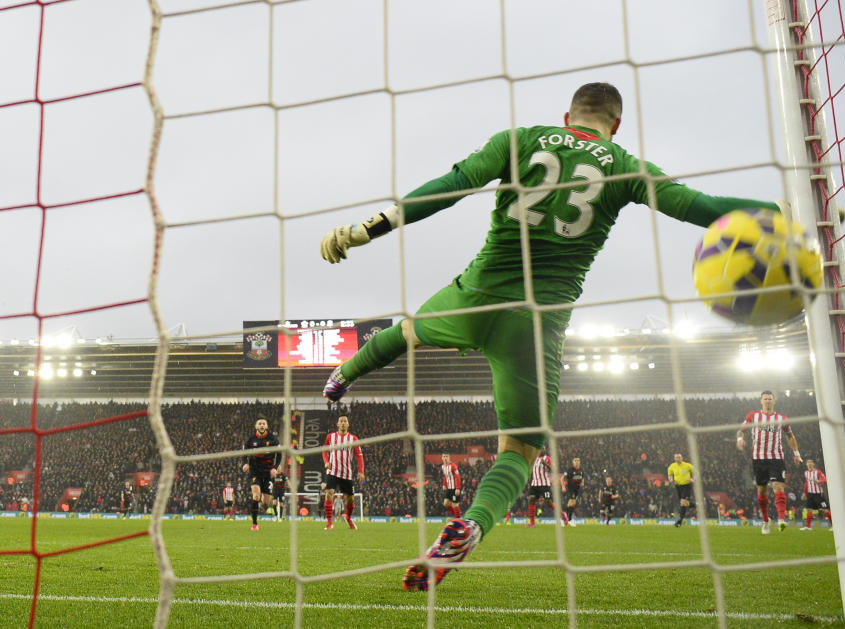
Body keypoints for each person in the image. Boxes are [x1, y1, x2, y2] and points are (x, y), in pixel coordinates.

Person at [317, 82, 782, 590]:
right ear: (617, 124)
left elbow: (452, 185)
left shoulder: (519, 140)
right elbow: (702, 206)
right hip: (537, 323)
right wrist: (779, 212)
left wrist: (371, 228)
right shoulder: (627, 166)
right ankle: (471, 524)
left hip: (476, 295)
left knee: (408, 330)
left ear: (567, 117)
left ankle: (342, 376)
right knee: (520, 450)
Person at [736, 390, 802, 534]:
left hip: (776, 458)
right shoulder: (753, 416)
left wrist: (796, 454)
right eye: (765, 399)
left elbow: (790, 435)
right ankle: (765, 521)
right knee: (762, 490)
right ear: (761, 401)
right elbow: (741, 430)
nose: (767, 401)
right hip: (758, 459)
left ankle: (781, 520)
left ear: (774, 401)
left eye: (769, 399)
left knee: (778, 486)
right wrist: (740, 439)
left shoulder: (781, 418)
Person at [322, 415, 365, 530]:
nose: (343, 423)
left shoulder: (353, 439)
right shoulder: (330, 437)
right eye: (341, 421)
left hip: (347, 473)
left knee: (350, 498)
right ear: (337, 424)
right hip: (332, 471)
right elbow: (324, 451)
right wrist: (326, 461)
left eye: (345, 421)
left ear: (348, 424)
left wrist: (361, 471)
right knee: (329, 493)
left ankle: (348, 518)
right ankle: (330, 523)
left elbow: (359, 455)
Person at [241, 416, 281, 532]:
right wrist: (245, 464)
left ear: (267, 426)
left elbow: (279, 455)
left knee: (265, 503)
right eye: (260, 423)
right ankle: (254, 524)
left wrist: (275, 468)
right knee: (256, 495)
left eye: (264, 423)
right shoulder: (250, 440)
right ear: (256, 426)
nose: (262, 425)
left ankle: (262, 504)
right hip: (255, 471)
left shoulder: (273, 439)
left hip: (268, 472)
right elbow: (244, 454)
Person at [526, 450, 568, 527]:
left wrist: (546, 464)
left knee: (548, 502)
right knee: (531, 501)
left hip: (544, 484)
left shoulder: (547, 458)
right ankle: (532, 523)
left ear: (544, 450)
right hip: (534, 484)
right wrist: (528, 477)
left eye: (542, 449)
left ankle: (563, 514)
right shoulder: (534, 458)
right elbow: (532, 469)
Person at [801, 459, 831, 530]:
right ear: (806, 464)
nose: (809, 464)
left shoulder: (818, 472)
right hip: (810, 494)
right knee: (809, 510)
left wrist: (819, 481)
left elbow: (825, 479)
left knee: (825, 510)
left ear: (813, 464)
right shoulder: (806, 473)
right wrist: (804, 493)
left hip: (818, 494)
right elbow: (806, 483)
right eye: (808, 462)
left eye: (811, 462)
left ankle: (834, 525)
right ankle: (808, 526)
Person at [667, 453, 695, 527]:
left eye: (679, 457)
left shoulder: (687, 465)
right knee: (684, 503)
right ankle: (697, 505)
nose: (678, 459)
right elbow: (669, 474)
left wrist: (693, 478)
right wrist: (670, 478)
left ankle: (680, 521)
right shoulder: (672, 466)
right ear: (674, 459)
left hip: (686, 486)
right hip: (678, 486)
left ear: (682, 458)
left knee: (682, 502)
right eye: (676, 457)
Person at [562, 457, 584, 527]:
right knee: (572, 502)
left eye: (578, 460)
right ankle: (569, 519)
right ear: (573, 462)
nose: (577, 462)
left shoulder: (581, 470)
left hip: (577, 489)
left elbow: (582, 478)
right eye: (575, 460)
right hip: (571, 488)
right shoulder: (570, 470)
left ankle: (565, 519)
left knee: (571, 504)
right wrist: (563, 486)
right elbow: (562, 478)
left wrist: (582, 482)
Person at [440, 453, 462, 520]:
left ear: (449, 457)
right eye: (444, 456)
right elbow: (446, 476)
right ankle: (457, 517)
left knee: (455, 504)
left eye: (446, 456)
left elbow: (457, 477)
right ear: (442, 458)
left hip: (454, 488)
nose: (445, 458)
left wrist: (458, 488)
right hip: (449, 489)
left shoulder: (453, 466)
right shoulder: (443, 466)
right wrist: (444, 484)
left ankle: (458, 520)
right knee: (446, 503)